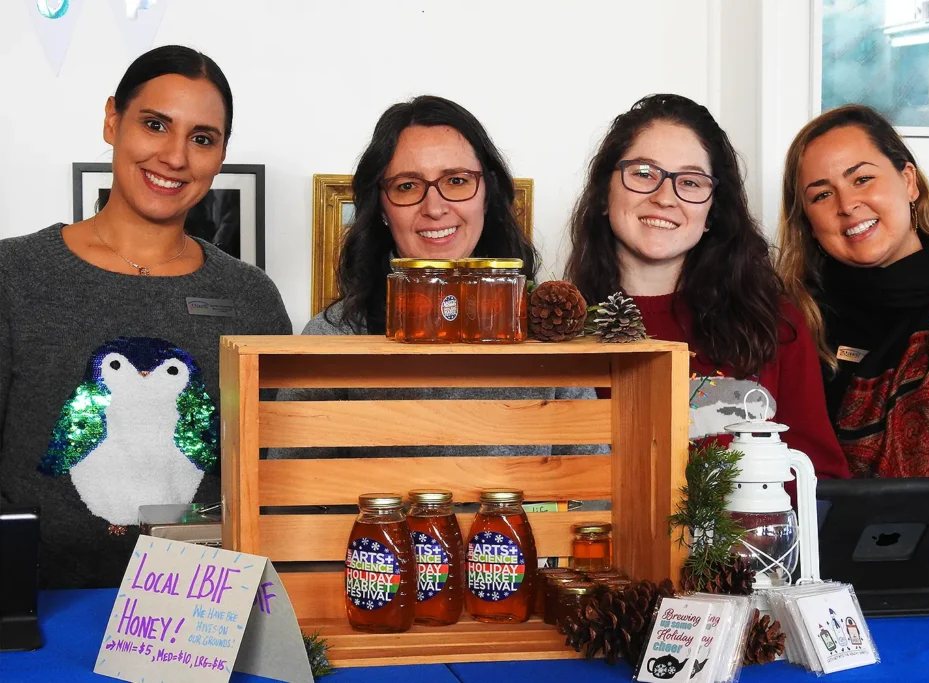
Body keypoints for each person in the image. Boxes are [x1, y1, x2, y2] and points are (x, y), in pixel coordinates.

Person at [0, 45, 291, 588]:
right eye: (155, 124)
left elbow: (268, 477)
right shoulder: (13, 275)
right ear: (112, 120)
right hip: (35, 604)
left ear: (221, 154)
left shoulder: (251, 297)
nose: (176, 157)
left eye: (202, 138)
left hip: (199, 611)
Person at [270, 95, 597, 459]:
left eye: (457, 180)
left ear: (486, 195)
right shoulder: (331, 337)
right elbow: (289, 501)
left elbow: (595, 493)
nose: (435, 208)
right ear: (381, 207)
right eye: (407, 186)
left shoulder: (548, 334)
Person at [776, 104, 929, 557]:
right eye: (821, 195)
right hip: (840, 577)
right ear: (807, 221)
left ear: (908, 181)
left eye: (862, 178)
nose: (848, 205)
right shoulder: (798, 324)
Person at [565, 94, 849, 480]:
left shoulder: (774, 324)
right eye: (644, 173)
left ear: (712, 212)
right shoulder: (557, 331)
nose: (665, 197)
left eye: (691, 181)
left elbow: (819, 478)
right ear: (603, 194)